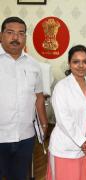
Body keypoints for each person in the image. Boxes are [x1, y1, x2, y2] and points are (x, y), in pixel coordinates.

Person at [46, 45, 86, 180]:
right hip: (67, 147)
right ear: (69, 63)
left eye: (85, 61)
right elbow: (64, 120)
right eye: (76, 61)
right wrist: (83, 142)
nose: (81, 65)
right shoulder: (61, 87)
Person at [0, 16, 48, 180]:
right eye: (10, 32)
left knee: (20, 176)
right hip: (0, 136)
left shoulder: (34, 65)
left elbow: (39, 96)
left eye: (21, 33)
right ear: (1, 35)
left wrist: (43, 123)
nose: (15, 37)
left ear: (25, 37)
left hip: (25, 137)